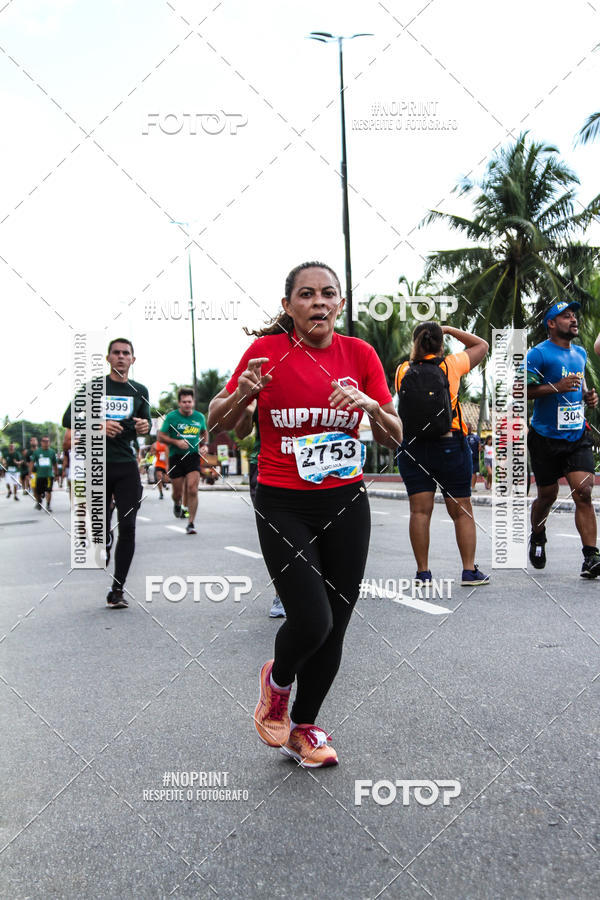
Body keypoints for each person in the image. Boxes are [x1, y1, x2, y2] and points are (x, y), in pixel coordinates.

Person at [208, 261, 403, 768]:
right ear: (288, 305)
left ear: (340, 303)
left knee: (336, 625)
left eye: (328, 294)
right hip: (282, 501)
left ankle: (305, 727)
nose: (319, 302)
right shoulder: (265, 353)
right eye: (307, 294)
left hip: (345, 502)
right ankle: (277, 682)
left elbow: (393, 435)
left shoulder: (359, 355)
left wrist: (370, 405)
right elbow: (221, 424)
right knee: (311, 620)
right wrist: (243, 395)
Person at [395, 322, 490, 586]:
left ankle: (423, 573)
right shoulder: (451, 365)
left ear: (415, 343)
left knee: (420, 512)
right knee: (461, 511)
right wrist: (449, 329)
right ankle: (469, 571)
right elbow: (482, 346)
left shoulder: (402, 371)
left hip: (413, 447)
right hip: (449, 444)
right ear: (441, 344)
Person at [62, 338, 151, 608]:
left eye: (126, 353)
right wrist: (99, 425)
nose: (121, 357)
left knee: (129, 527)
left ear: (133, 360)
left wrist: (144, 426)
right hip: (98, 465)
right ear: (108, 358)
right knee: (100, 528)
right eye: (116, 353)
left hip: (126, 465)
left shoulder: (140, 390)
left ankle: (118, 590)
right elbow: (68, 419)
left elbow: (143, 425)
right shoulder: (92, 388)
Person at [527, 301, 600, 576]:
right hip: (545, 437)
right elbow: (520, 390)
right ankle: (537, 533)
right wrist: (555, 387)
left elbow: (578, 387)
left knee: (583, 491)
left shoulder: (580, 353)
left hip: (576, 435)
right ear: (551, 323)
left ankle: (590, 557)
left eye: (574, 315)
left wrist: (589, 397)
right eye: (566, 316)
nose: (573, 320)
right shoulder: (538, 354)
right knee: (547, 495)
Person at [234, 399, 286, 618]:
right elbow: (240, 432)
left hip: (309, 466)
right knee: (279, 536)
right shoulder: (263, 380)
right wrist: (247, 412)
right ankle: (282, 594)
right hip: (266, 467)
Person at [158, 387, 207, 535]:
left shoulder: (199, 417)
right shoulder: (172, 417)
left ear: (193, 402)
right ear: (179, 403)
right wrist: (176, 442)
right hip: (176, 457)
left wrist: (204, 445)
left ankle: (191, 523)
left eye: (189, 402)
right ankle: (177, 503)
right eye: (184, 402)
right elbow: (160, 436)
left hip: (192, 457)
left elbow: (204, 433)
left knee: (192, 489)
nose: (187, 404)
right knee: (177, 493)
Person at [30, 436, 58, 511]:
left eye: (47, 441)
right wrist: (29, 473)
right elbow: (32, 462)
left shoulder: (52, 452)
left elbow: (55, 464)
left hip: (49, 475)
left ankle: (48, 505)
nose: (46, 443)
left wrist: (56, 474)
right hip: (40, 475)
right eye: (44, 441)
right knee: (37, 491)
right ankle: (39, 501)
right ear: (41, 442)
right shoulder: (37, 452)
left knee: (49, 490)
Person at [466, 423, 480, 491]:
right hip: (464, 458)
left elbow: (479, 447)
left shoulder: (476, 437)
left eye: (469, 428)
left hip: (474, 457)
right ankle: (466, 486)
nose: (468, 429)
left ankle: (473, 487)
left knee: (474, 472)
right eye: (467, 428)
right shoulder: (462, 436)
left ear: (471, 428)